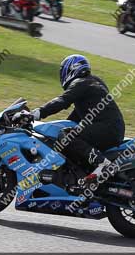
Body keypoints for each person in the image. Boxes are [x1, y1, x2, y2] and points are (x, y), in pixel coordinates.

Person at [31, 55, 125, 183]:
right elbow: (75, 118)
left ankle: (102, 163)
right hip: (111, 128)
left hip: (106, 128)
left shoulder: (81, 82)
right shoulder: (93, 82)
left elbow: (62, 101)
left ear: (71, 69)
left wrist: (37, 113)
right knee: (67, 136)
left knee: (66, 135)